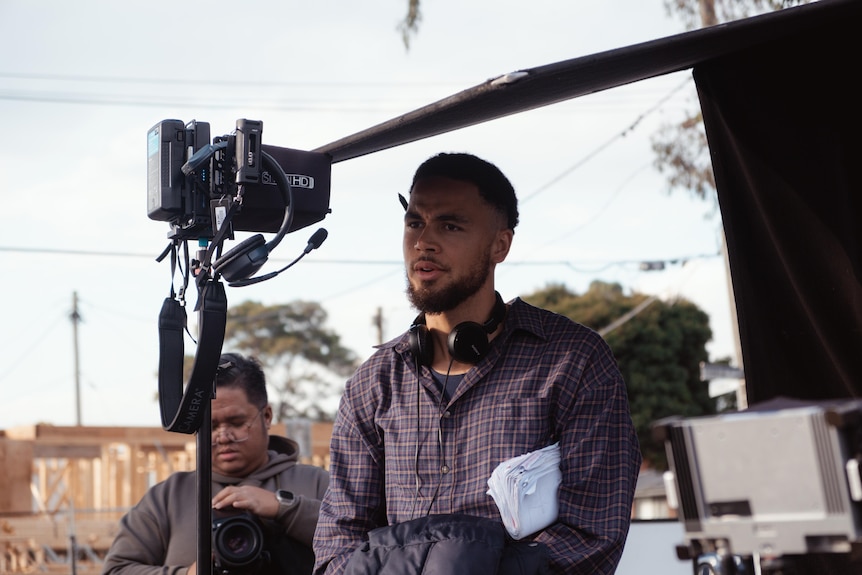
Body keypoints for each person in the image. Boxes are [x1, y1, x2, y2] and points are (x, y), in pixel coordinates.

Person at [312, 152, 642, 575]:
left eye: (450, 225)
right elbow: (337, 547)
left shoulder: (573, 360)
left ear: (499, 245)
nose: (423, 243)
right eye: (415, 223)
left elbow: (590, 536)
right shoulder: (372, 383)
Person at [102, 352, 329, 575]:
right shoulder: (168, 498)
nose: (223, 436)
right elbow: (116, 570)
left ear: (267, 416)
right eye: (209, 426)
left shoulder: (317, 484)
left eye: (237, 422)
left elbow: (360, 546)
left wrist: (285, 508)